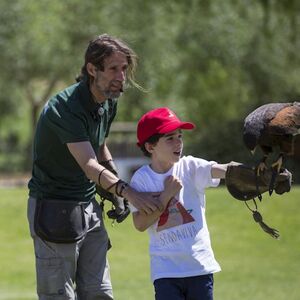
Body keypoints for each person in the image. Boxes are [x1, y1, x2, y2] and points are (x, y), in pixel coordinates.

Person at [27, 34, 162, 300]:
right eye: (113, 68)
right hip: (53, 208)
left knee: (100, 293)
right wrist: (127, 191)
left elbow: (99, 147)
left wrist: (112, 190)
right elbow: (89, 164)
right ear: (92, 69)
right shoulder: (64, 108)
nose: (121, 76)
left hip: (88, 206)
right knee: (58, 296)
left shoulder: (108, 101)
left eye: (124, 69)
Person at [129, 107, 235, 300]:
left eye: (179, 136)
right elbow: (140, 224)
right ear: (150, 147)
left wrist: (252, 173)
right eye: (170, 138)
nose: (178, 142)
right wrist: (167, 195)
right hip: (166, 271)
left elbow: (221, 170)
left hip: (199, 267)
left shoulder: (189, 166)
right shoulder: (141, 180)